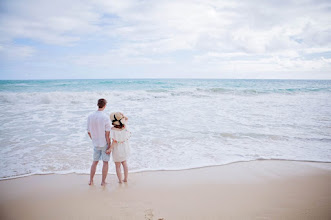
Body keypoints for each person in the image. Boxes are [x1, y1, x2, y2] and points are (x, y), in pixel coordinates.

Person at [87, 98, 111, 186]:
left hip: (95, 143)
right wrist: (109, 145)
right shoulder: (105, 117)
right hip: (104, 143)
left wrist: (93, 139)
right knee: (105, 162)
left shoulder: (90, 116)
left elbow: (88, 131)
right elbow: (107, 133)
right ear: (105, 106)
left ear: (98, 105)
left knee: (95, 162)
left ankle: (91, 180)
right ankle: (103, 182)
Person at [107, 112, 131, 183]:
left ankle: (120, 180)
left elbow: (114, 141)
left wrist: (110, 149)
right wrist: (122, 115)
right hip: (125, 147)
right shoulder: (125, 126)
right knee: (124, 163)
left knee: (117, 166)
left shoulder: (113, 130)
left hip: (117, 149)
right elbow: (126, 118)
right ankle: (125, 178)